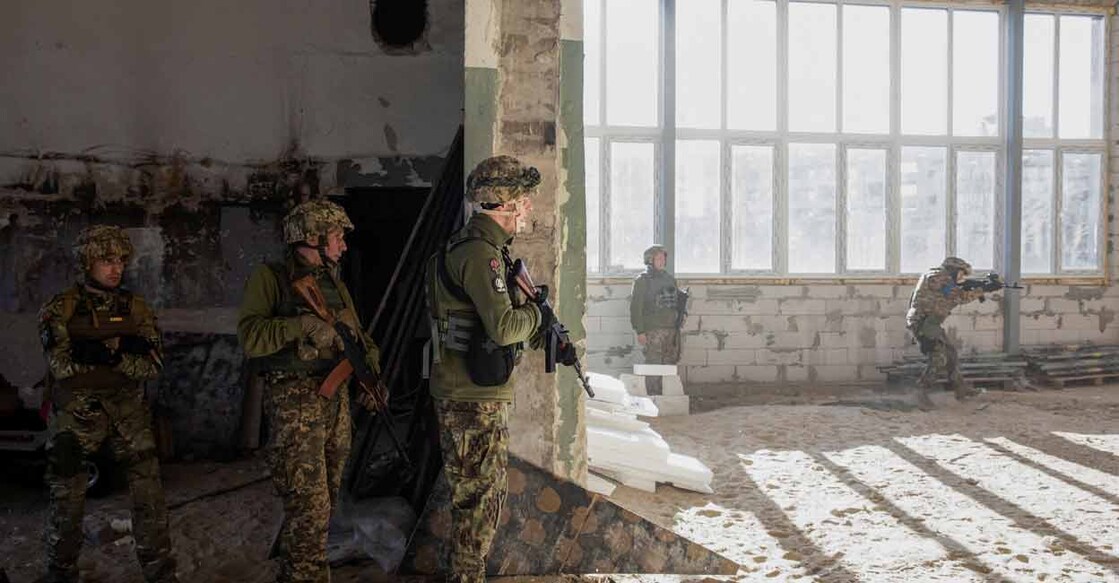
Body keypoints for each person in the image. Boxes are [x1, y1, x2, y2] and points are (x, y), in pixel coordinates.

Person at [424, 155, 574, 583]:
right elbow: (505, 326)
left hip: (469, 390)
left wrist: (543, 335)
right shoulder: (480, 254)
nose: (529, 208)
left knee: (480, 500)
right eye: (524, 199)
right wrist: (536, 317)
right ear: (505, 203)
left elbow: (485, 329)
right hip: (471, 398)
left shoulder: (480, 250)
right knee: (479, 504)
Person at [237, 199, 381, 583]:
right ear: (312, 238)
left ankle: (294, 572)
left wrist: (372, 376)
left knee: (325, 504)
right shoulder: (271, 278)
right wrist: (299, 326)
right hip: (295, 404)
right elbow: (250, 337)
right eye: (337, 237)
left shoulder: (333, 281)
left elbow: (358, 337)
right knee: (309, 507)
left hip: (334, 403)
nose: (343, 246)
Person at [38, 225, 176, 583]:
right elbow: (61, 366)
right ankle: (61, 573)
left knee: (149, 495)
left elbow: (153, 365)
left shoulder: (136, 308)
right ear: (87, 262)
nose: (115, 268)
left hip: (128, 410)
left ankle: (161, 573)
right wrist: (117, 349)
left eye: (119, 260)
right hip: (76, 413)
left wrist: (110, 353)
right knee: (67, 498)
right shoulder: (61, 308)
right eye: (105, 260)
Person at [905, 256, 993, 410]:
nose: (961, 277)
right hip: (923, 323)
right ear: (953, 270)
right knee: (939, 358)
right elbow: (959, 297)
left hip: (930, 323)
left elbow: (954, 295)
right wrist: (981, 289)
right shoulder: (939, 277)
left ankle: (961, 390)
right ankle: (920, 392)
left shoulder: (942, 279)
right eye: (960, 273)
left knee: (951, 353)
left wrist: (977, 288)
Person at [630, 244, 682, 395]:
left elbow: (675, 302)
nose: (661, 261)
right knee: (653, 364)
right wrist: (640, 330)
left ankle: (668, 396)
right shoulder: (642, 280)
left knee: (669, 363)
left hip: (670, 329)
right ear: (650, 260)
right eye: (658, 258)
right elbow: (636, 308)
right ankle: (653, 396)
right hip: (652, 329)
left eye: (663, 258)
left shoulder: (669, 279)